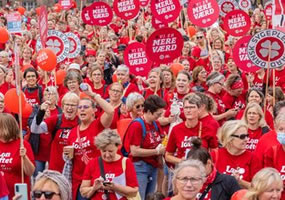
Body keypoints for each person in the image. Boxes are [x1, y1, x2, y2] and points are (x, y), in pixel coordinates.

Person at [66, 92, 114, 199]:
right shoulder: (73, 132)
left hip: (97, 179)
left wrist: (93, 95)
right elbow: (70, 158)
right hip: (78, 181)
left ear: (94, 110)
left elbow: (110, 111)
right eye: (80, 107)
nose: (82, 109)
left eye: (86, 107)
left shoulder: (98, 125)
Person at [124, 95, 166, 200]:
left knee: (150, 197)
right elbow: (134, 151)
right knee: (139, 197)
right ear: (149, 111)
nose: (159, 116)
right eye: (158, 114)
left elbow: (161, 139)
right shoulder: (137, 125)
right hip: (139, 167)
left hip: (153, 165)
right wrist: (156, 151)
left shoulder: (155, 124)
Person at [80, 129, 139, 199]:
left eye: (110, 151)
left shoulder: (126, 162)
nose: (107, 155)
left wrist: (115, 187)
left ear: (117, 147)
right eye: (104, 151)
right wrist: (94, 188)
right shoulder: (92, 163)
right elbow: (83, 191)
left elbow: (134, 191)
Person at [30, 92, 80, 173]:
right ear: (62, 106)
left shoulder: (81, 122)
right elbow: (35, 129)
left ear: (78, 107)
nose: (70, 108)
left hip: (75, 168)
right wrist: (41, 112)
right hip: (56, 168)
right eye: (67, 105)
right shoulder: (56, 120)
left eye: (73, 105)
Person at [166, 93, 218, 166]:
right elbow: (168, 155)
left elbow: (215, 151)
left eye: (192, 107)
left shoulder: (207, 128)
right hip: (183, 169)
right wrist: (181, 161)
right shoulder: (176, 129)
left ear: (199, 109)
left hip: (201, 169)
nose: (188, 110)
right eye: (186, 108)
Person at [212, 120, 261, 188]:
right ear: (229, 138)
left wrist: (240, 182)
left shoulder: (252, 158)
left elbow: (258, 188)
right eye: (242, 136)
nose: (246, 139)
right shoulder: (215, 155)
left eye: (247, 135)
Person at [0, 113, 35, 199]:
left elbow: (30, 172)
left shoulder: (23, 145)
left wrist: (24, 157)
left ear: (7, 128)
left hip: (17, 192)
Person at [263, 113, 285, 199]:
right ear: (276, 130)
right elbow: (268, 180)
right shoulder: (271, 152)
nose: (283, 132)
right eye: (281, 129)